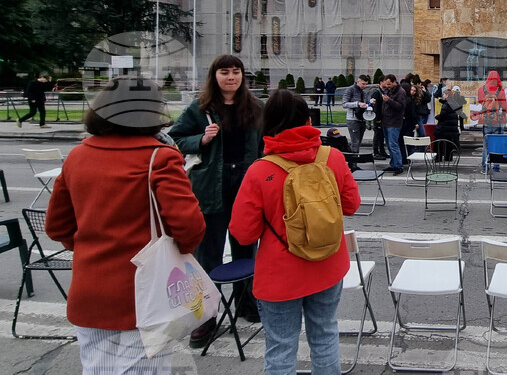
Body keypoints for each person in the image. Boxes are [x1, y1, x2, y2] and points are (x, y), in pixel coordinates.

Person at [46, 78, 205, 373]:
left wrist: (90, 246)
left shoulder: (77, 156)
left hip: (89, 286)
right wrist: (176, 252)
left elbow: (57, 227)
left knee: (96, 367)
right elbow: (190, 225)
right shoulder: (159, 158)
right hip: (146, 290)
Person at [230, 89, 360, 375]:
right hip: (327, 262)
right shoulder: (332, 157)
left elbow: (243, 233)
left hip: (280, 273)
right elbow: (351, 205)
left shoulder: (260, 170)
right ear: (308, 119)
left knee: (280, 348)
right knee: (325, 335)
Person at [168, 54, 264, 345]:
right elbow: (176, 139)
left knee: (246, 249)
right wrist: (202, 139)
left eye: (236, 72)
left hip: (245, 186)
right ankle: (205, 317)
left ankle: (247, 304)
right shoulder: (200, 109)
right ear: (215, 76)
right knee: (206, 255)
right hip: (210, 187)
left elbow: (266, 142)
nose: (231, 77)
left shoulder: (255, 107)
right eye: (225, 72)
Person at [478, 70, 507, 173]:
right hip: (498, 122)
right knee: (497, 145)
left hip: (486, 121)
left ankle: (485, 168)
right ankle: (496, 168)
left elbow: (480, 103)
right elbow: (504, 107)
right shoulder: (501, 91)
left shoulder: (482, 90)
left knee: (486, 145)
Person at [380, 74, 408, 175]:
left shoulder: (400, 92)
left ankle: (399, 165)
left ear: (394, 81)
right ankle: (393, 164)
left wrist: (389, 101)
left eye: (389, 84)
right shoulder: (390, 90)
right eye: (386, 84)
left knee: (393, 144)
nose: (387, 86)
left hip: (394, 122)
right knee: (389, 145)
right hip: (387, 121)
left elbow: (401, 107)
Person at [341, 75, 370, 153]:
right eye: (363, 84)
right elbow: (344, 104)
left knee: (358, 142)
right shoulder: (350, 90)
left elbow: (366, 103)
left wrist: (370, 103)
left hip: (362, 118)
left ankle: (353, 160)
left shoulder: (363, 92)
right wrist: (357, 104)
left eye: (366, 84)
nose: (365, 86)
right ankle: (353, 163)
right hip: (352, 119)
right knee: (355, 143)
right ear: (358, 81)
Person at [433, 86, 463, 152]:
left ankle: (439, 156)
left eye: (444, 94)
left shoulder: (446, 105)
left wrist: (437, 117)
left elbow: (442, 115)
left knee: (438, 140)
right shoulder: (453, 103)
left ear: (447, 95)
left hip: (445, 126)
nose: (443, 95)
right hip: (451, 127)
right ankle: (449, 156)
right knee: (449, 142)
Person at [364, 80, 387, 160]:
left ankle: (382, 151)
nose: (386, 84)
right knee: (377, 134)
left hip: (382, 117)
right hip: (378, 117)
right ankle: (376, 152)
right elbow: (376, 106)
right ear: (381, 82)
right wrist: (377, 118)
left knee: (381, 135)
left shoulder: (383, 92)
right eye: (385, 82)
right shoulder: (377, 92)